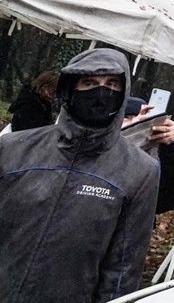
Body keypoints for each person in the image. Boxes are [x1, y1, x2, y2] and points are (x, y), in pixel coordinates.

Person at [0, 49, 160, 302]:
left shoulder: (139, 170)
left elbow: (122, 270)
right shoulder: (13, 148)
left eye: (112, 84)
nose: (101, 92)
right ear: (69, 88)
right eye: (89, 83)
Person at [122, 97, 174, 214]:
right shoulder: (98, 147)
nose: (137, 121)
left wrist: (173, 145)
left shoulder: (154, 156)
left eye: (143, 118)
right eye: (127, 117)